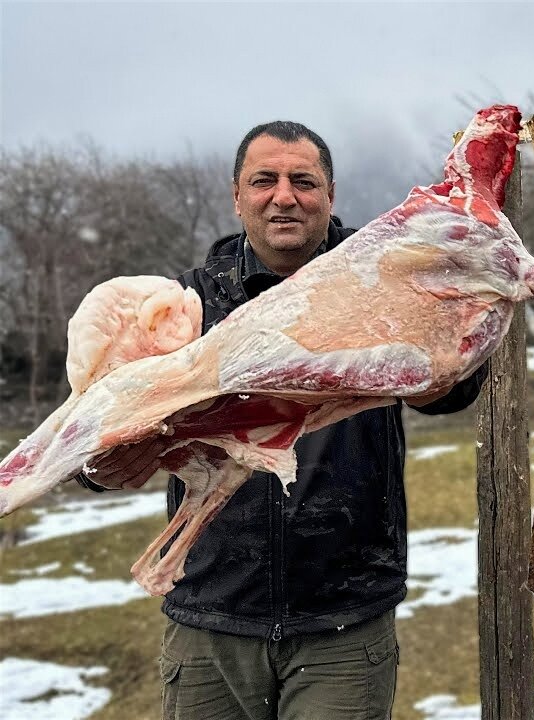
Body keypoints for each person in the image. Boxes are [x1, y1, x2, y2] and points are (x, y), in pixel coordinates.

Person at [76, 120, 486, 719]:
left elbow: (454, 390)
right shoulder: (182, 308)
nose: (284, 196)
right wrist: (105, 458)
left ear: (331, 196)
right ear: (237, 196)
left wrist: (423, 362)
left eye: (304, 181)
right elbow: (93, 431)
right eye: (264, 180)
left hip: (343, 620)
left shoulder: (383, 286)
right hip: (211, 618)